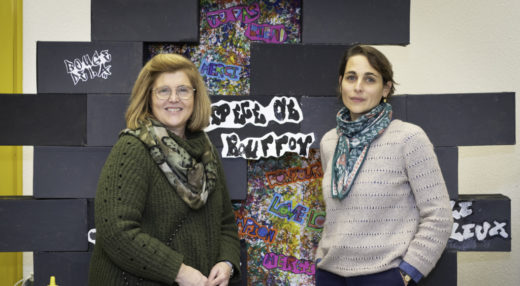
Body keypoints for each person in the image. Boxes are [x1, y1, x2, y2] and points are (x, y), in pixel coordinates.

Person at [88, 53, 241, 286]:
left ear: (195, 96)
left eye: (183, 90)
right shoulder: (132, 148)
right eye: (163, 91)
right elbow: (116, 231)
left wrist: (227, 263)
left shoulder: (206, 152)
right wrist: (179, 272)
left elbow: (226, 223)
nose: (174, 98)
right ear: (148, 97)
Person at [315, 45, 453, 286]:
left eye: (370, 79)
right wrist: (320, 259)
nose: (358, 87)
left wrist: (407, 272)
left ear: (386, 88)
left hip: (383, 277)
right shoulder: (329, 141)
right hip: (330, 276)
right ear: (341, 83)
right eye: (351, 77)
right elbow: (337, 213)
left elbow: (439, 216)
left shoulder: (409, 138)